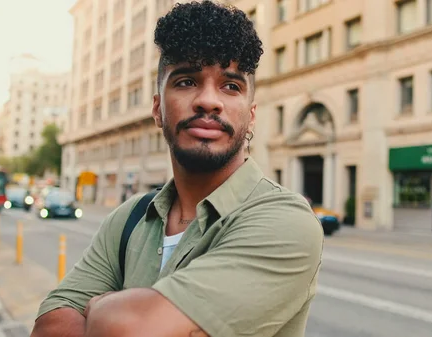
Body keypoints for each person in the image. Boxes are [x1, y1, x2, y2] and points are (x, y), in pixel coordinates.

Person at [30, 1, 324, 336]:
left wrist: (100, 307)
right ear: (157, 109)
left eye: (231, 86)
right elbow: (48, 327)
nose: (208, 101)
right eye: (186, 81)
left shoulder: (285, 221)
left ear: (251, 114)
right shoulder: (128, 218)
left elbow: (133, 329)